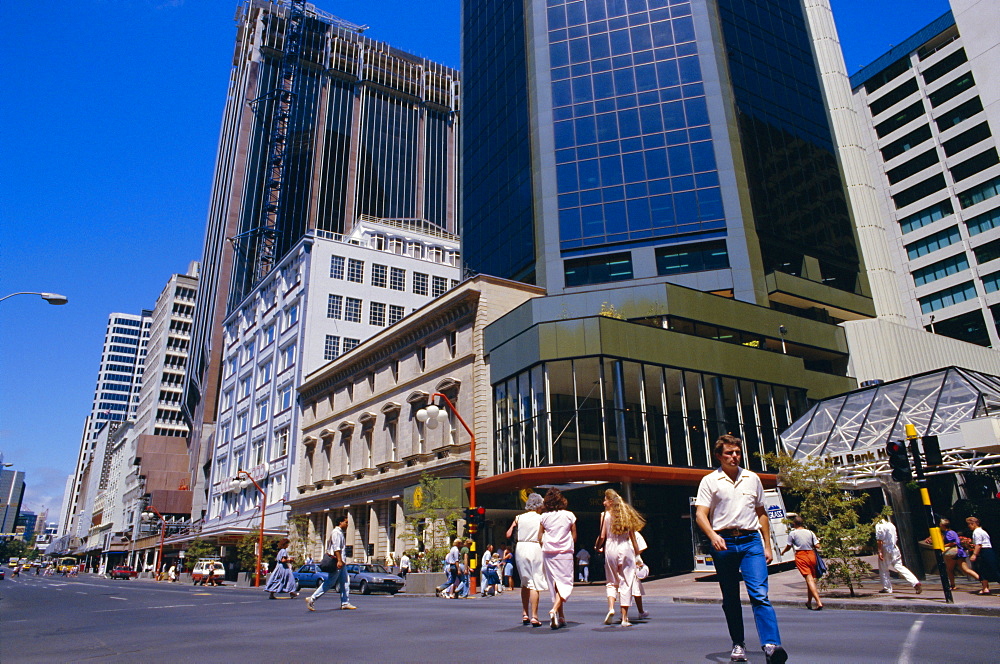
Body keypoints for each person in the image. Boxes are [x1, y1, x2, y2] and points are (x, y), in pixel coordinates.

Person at [695, 434, 787, 664]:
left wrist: (767, 545)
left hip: (750, 541)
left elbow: (761, 513)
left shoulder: (752, 478)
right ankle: (738, 643)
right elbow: (700, 514)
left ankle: (771, 645)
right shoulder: (709, 481)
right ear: (719, 456)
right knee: (731, 598)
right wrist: (713, 535)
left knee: (759, 594)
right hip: (723, 543)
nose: (734, 457)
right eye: (729, 453)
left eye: (737, 452)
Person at [595, 488, 644, 627]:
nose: (603, 503)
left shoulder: (604, 515)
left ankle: (611, 608)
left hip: (610, 548)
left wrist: (597, 546)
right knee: (626, 582)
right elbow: (633, 538)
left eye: (605, 500)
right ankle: (624, 618)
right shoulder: (626, 514)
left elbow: (602, 536)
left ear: (610, 502)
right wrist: (637, 555)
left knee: (611, 581)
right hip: (625, 548)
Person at [538, 487, 577, 630]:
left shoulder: (544, 517)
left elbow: (539, 537)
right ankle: (554, 610)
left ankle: (561, 616)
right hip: (565, 552)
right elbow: (574, 535)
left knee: (554, 584)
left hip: (548, 552)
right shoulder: (569, 515)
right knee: (566, 583)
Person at [507, 492, 547, 627]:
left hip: (521, 547)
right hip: (535, 546)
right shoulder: (541, 518)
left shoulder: (519, 517)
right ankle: (535, 616)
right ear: (539, 505)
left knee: (525, 581)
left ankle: (525, 613)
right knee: (535, 582)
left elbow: (508, 533)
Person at [306, 514, 357, 611]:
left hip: (341, 562)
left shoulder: (340, 533)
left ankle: (345, 602)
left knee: (345, 582)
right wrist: (339, 560)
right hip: (336, 561)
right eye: (346, 522)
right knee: (330, 582)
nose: (347, 525)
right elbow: (336, 548)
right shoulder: (336, 533)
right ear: (340, 522)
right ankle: (312, 598)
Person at [780, 515, 823, 610]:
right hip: (811, 555)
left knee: (809, 579)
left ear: (794, 524)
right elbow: (817, 546)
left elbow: (789, 545)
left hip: (801, 555)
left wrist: (783, 552)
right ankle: (809, 602)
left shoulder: (793, 533)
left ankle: (818, 602)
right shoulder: (810, 532)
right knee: (810, 579)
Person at [875, 517, 921, 595]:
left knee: (883, 568)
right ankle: (915, 582)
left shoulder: (879, 525)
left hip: (886, 548)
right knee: (899, 566)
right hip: (894, 547)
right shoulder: (891, 525)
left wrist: (880, 551)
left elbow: (879, 540)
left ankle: (887, 588)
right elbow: (895, 537)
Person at [938, 518, 978, 590]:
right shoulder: (952, 532)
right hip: (960, 552)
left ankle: (952, 585)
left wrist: (943, 546)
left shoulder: (948, 533)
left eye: (940, 524)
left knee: (950, 569)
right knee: (966, 569)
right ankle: (982, 581)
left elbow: (953, 543)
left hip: (953, 552)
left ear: (943, 525)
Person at [967, 517, 999, 595]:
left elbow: (979, 545)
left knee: (993, 569)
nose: (968, 526)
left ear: (973, 524)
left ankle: (985, 587)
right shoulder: (982, 531)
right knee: (983, 569)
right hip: (986, 551)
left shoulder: (977, 532)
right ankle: (985, 588)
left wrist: (974, 555)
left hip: (985, 551)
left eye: (969, 524)